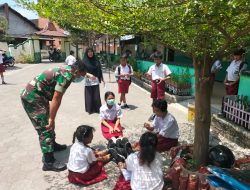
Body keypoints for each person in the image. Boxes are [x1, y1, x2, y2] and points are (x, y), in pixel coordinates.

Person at [20, 61, 95, 171]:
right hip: (33, 98)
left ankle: (52, 145)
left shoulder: (69, 68)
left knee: (50, 123)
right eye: (81, 75)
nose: (80, 78)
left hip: (39, 95)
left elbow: (79, 71)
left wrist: (87, 74)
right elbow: (56, 98)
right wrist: (51, 118)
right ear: (76, 72)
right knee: (45, 127)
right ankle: (48, 162)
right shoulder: (66, 77)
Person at [83, 47, 105, 114]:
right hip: (88, 80)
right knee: (89, 96)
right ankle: (90, 109)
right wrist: (88, 74)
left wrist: (102, 78)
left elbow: (99, 69)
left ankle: (97, 109)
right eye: (88, 52)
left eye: (91, 52)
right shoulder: (84, 61)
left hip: (95, 80)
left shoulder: (96, 60)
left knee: (96, 96)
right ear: (87, 53)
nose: (90, 53)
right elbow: (82, 71)